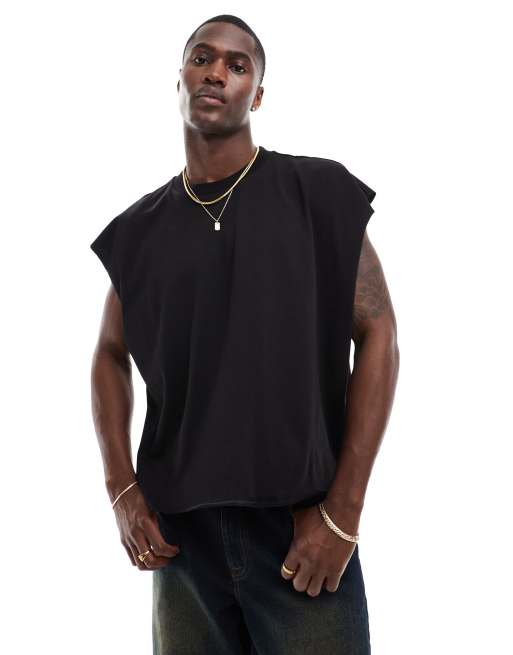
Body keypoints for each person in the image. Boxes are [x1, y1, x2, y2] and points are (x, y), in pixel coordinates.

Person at [89, 13, 400, 655]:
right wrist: (122, 488)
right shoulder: (139, 231)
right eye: (202, 58)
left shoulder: (316, 193)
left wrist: (343, 513)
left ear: (256, 95)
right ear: (179, 78)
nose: (216, 73)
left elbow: (379, 333)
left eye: (238, 65)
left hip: (300, 534)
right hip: (181, 546)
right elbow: (109, 353)